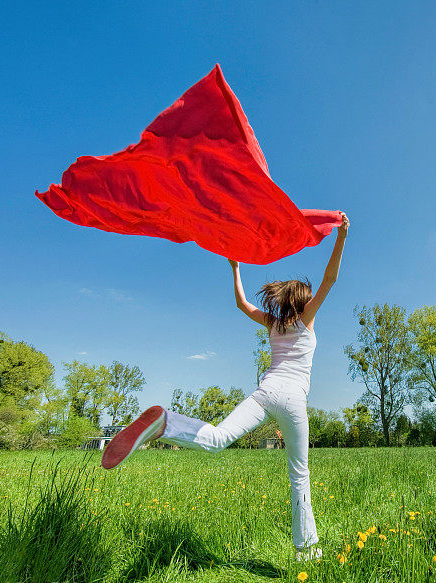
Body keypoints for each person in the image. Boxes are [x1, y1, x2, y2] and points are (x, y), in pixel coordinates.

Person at [101, 212, 350, 561]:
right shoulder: (306, 319)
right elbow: (331, 278)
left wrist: (235, 269)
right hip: (293, 399)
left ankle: (166, 423)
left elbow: (242, 304)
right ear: (304, 302)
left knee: (217, 439)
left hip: (264, 393)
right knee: (299, 474)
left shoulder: (272, 322)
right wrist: (341, 237)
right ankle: (307, 551)